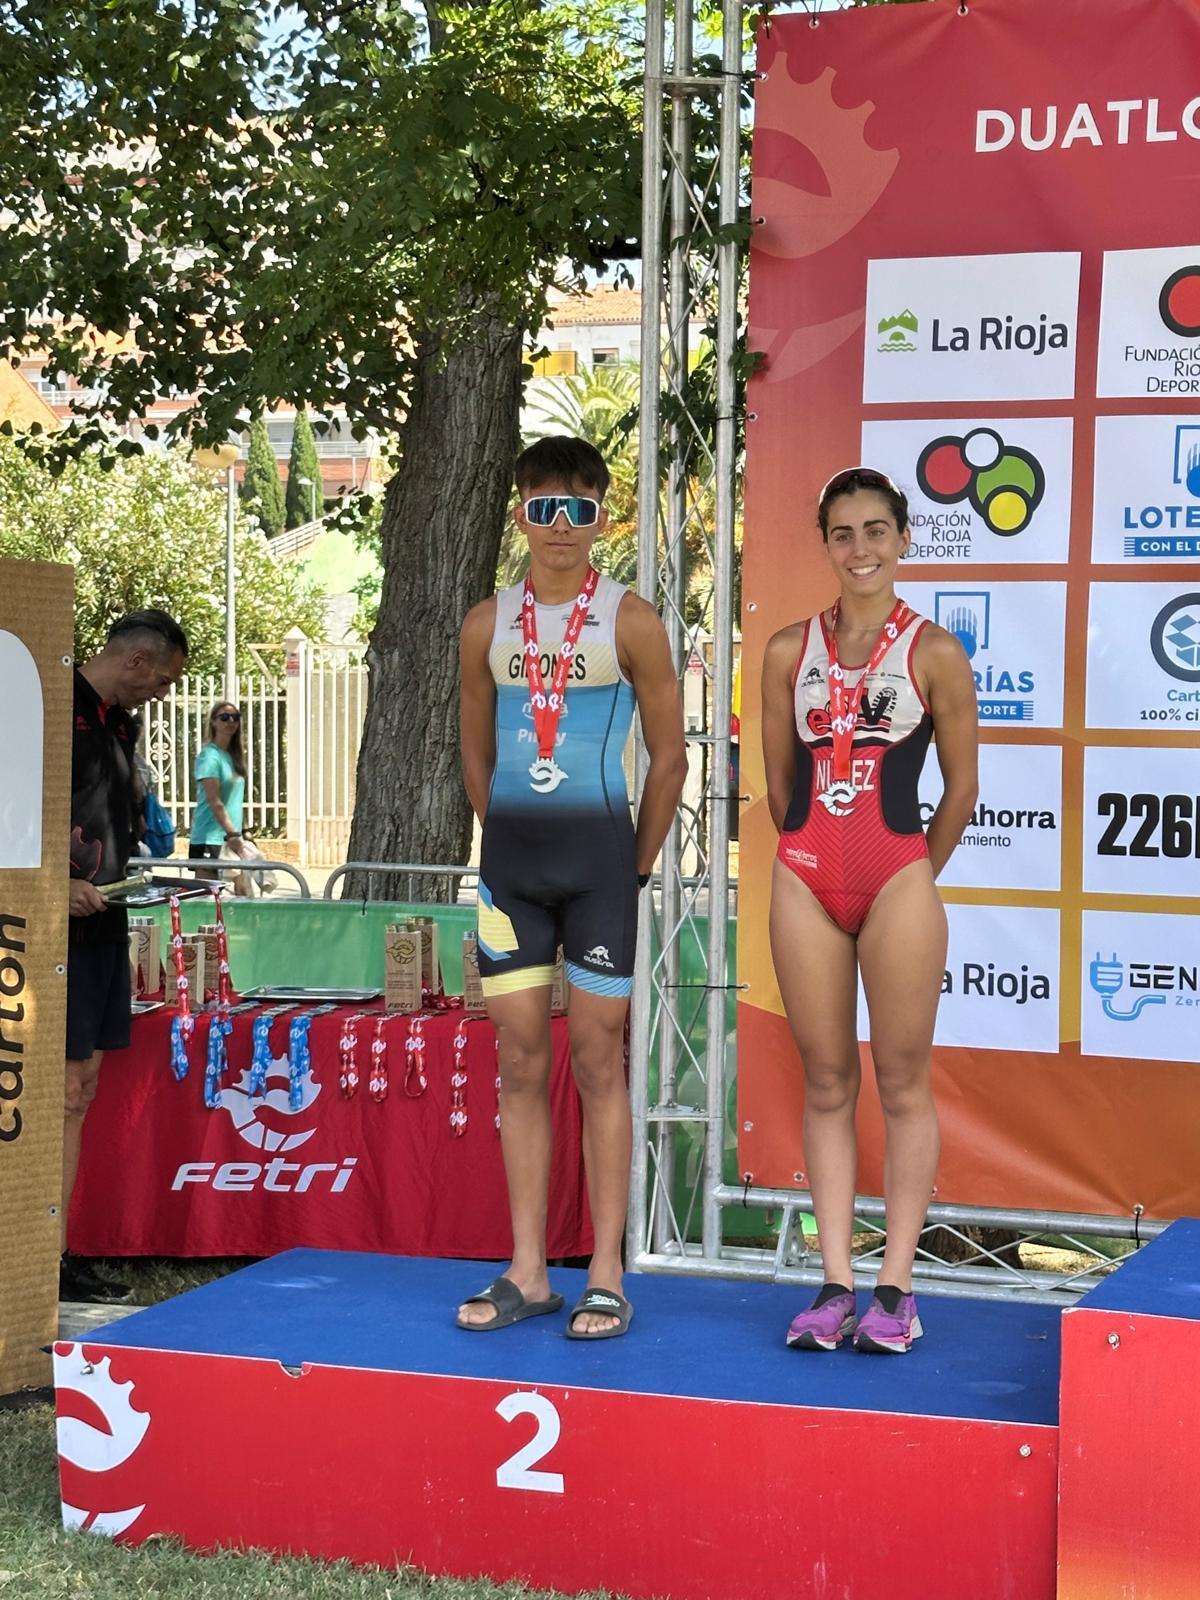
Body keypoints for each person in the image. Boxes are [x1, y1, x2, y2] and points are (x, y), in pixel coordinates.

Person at [457, 435, 687, 1338]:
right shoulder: (486, 623)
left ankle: (605, 1271)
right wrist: (506, 836)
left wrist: (633, 866)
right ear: (521, 514)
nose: (560, 526)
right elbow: (474, 749)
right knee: (519, 1064)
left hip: (600, 872)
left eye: (579, 509)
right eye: (544, 508)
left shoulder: (631, 620)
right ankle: (528, 1270)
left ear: (603, 518)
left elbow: (669, 759)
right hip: (512, 873)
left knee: (597, 1062)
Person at [761, 468, 978, 1354]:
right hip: (805, 879)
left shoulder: (935, 651)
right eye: (844, 533)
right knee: (824, 1081)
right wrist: (813, 854)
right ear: (825, 544)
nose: (861, 549)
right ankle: (834, 1285)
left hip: (897, 880)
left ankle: (896, 1289)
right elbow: (780, 787)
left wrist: (912, 873)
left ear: (904, 538)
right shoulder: (787, 649)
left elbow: (962, 788)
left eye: (876, 530)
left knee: (901, 1081)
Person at [65, 608, 188, 1302]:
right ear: (136, 661)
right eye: (163, 680)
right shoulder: (54, 707)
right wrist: (54, 884)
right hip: (49, 927)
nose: (162, 693)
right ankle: (37, 1253)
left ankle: (57, 1253)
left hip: (106, 918)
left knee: (82, 1085)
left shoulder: (122, 725)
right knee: (58, 1087)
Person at [189, 702, 247, 881]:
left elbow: (234, 800)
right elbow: (215, 801)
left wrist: (243, 831)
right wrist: (232, 834)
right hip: (210, 837)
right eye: (224, 717)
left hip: (231, 836)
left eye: (235, 717)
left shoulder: (232, 756)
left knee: (242, 889)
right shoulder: (209, 756)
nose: (230, 721)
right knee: (205, 893)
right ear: (213, 722)